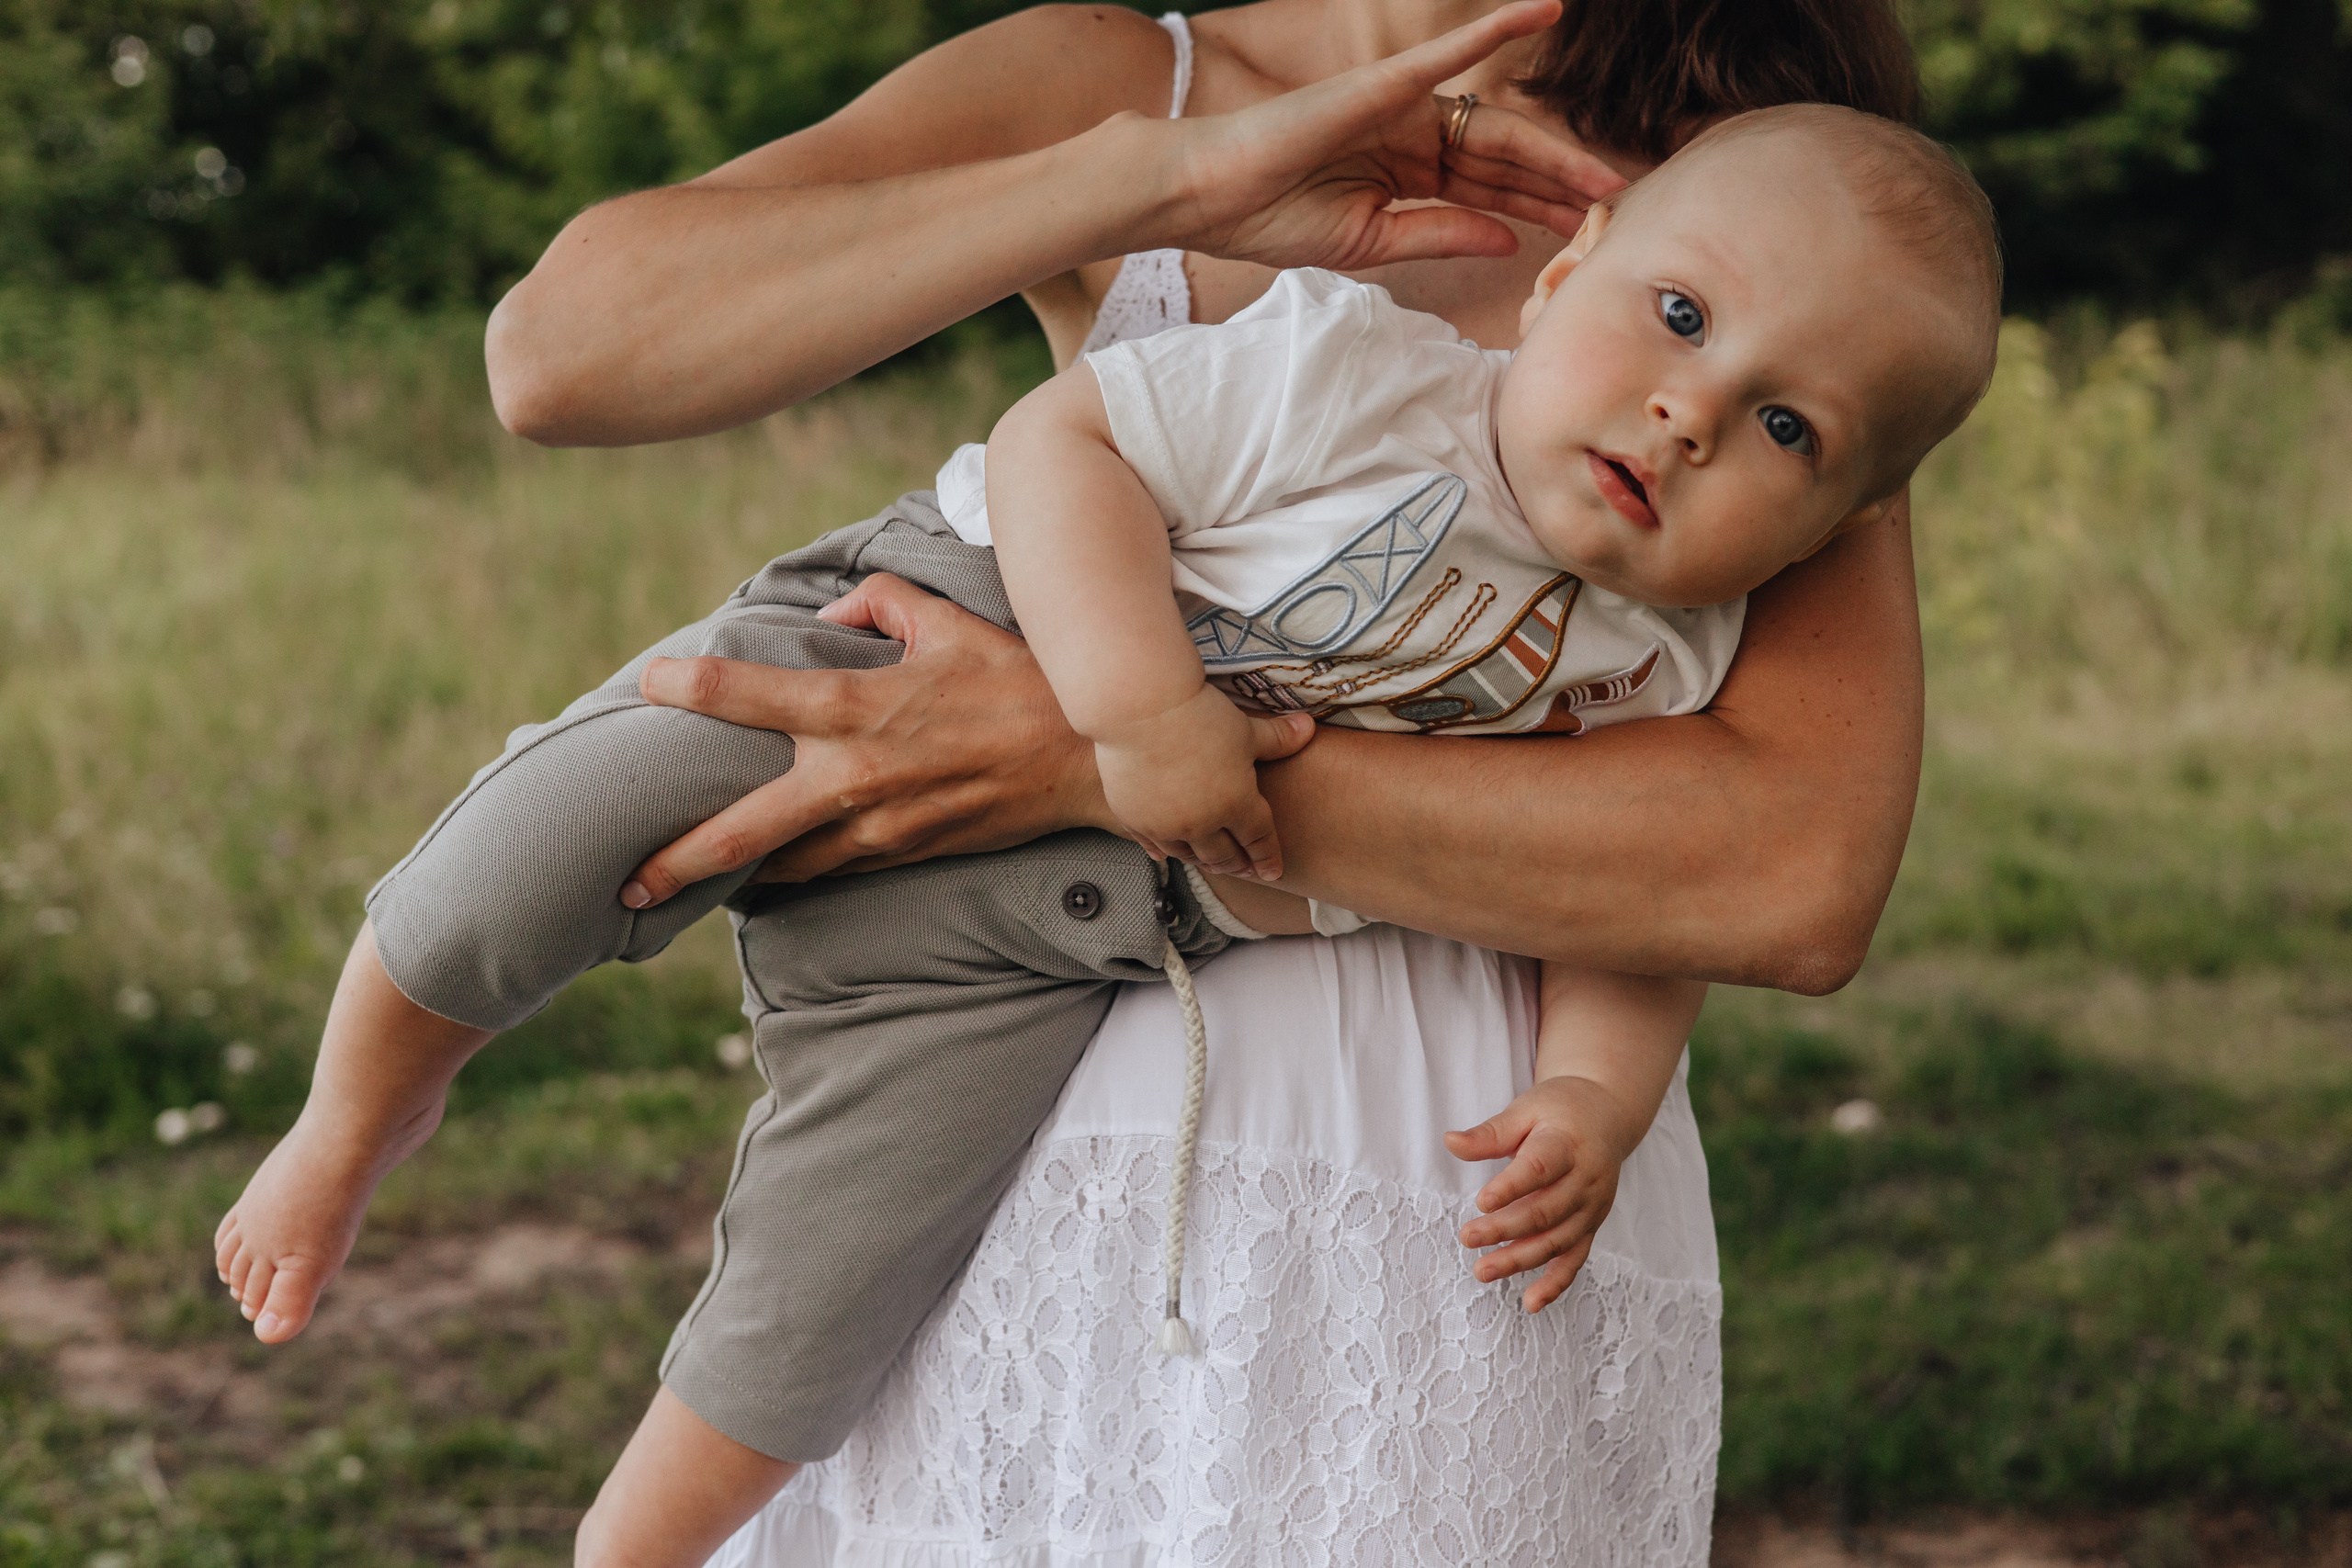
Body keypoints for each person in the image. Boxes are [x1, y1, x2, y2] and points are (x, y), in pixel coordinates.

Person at [256, 0, 1936, 1560]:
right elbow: (563, 356)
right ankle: (381, 1087)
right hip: (1041, 1140)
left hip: (1458, 1192)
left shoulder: (1763, 209)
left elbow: (1786, 877)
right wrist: (1150, 179)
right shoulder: (1134, 86)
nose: (1707, 406)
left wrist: (1080, 763)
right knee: (603, 904)